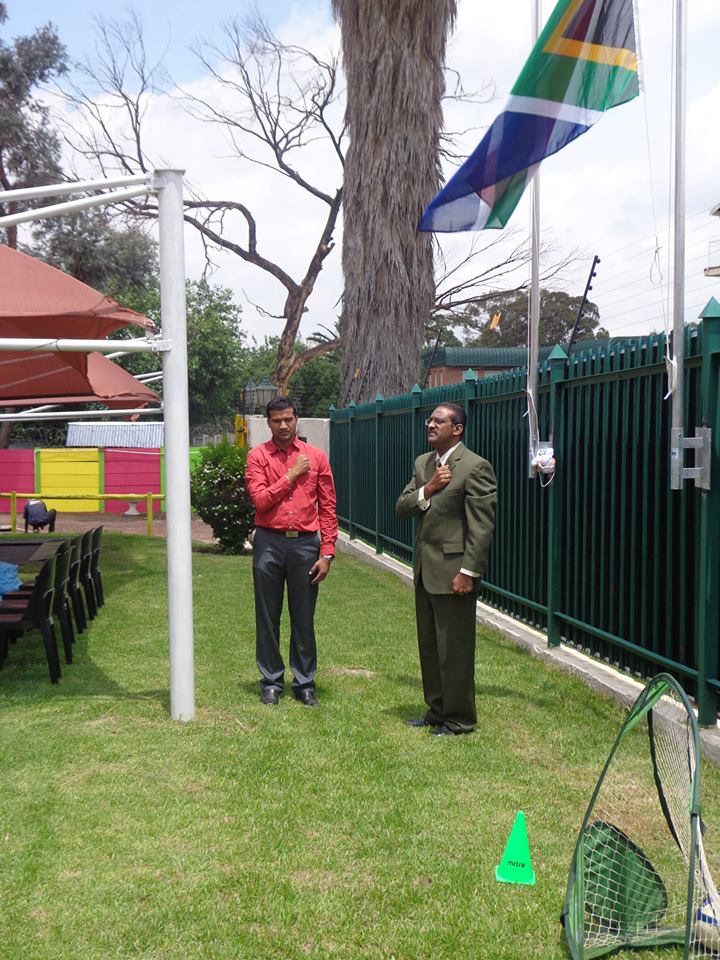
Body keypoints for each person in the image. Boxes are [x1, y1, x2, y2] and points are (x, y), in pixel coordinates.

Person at [396, 403, 496, 736]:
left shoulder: (475, 467)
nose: (430, 425)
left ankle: (459, 719)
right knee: (430, 646)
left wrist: (469, 572)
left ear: (457, 429)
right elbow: (402, 507)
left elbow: (481, 526)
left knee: (455, 650)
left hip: (455, 573)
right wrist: (429, 488)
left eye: (439, 421)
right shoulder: (423, 464)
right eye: (430, 420)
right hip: (426, 571)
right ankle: (437, 710)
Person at [245, 397, 338, 707]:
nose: (283, 425)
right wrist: (291, 476)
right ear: (268, 423)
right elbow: (260, 501)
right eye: (276, 420)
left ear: (296, 419)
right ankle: (271, 681)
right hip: (269, 542)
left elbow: (328, 507)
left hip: (305, 544)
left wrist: (327, 553)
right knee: (267, 616)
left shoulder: (317, 457)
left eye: (288, 419)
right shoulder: (258, 456)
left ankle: (304, 682)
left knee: (303, 616)